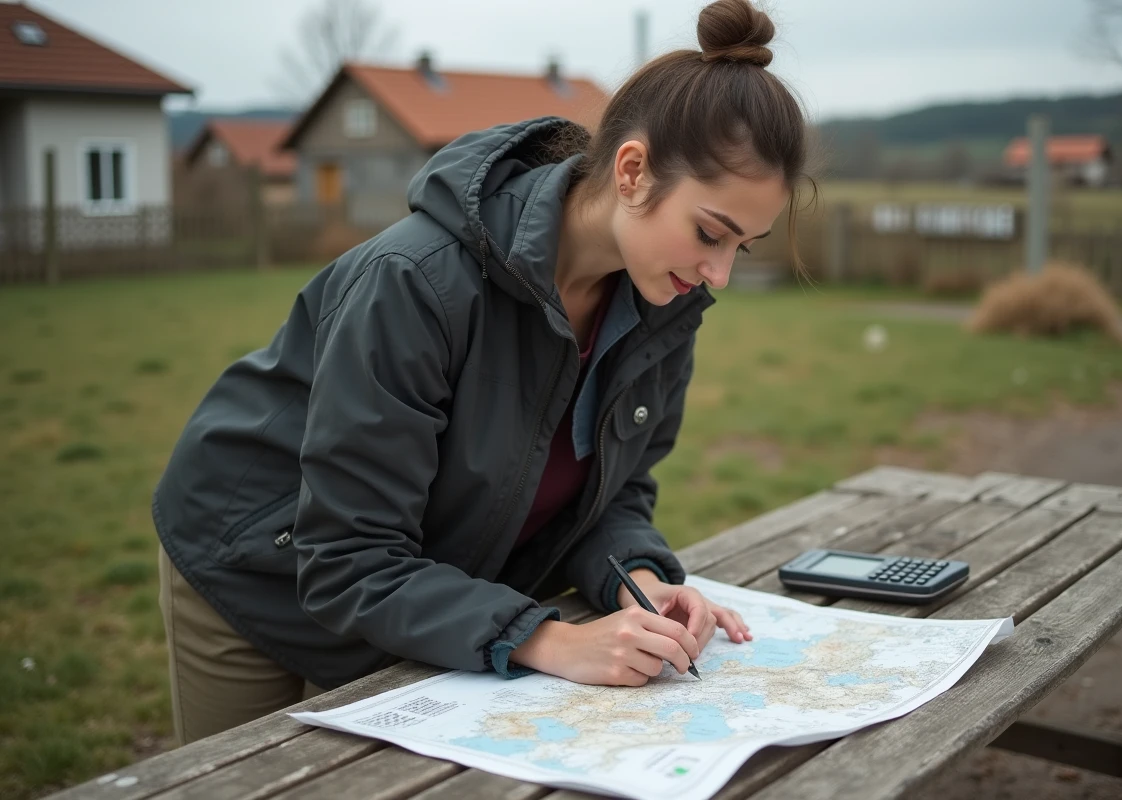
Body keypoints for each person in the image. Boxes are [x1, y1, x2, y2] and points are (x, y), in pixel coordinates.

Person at [154, 0, 811, 745]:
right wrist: (552, 638)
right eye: (709, 233)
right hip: (255, 566)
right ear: (632, 170)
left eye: (742, 248)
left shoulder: (664, 305)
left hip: (416, 592)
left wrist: (640, 577)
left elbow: (612, 493)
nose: (717, 272)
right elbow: (348, 557)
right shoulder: (416, 283)